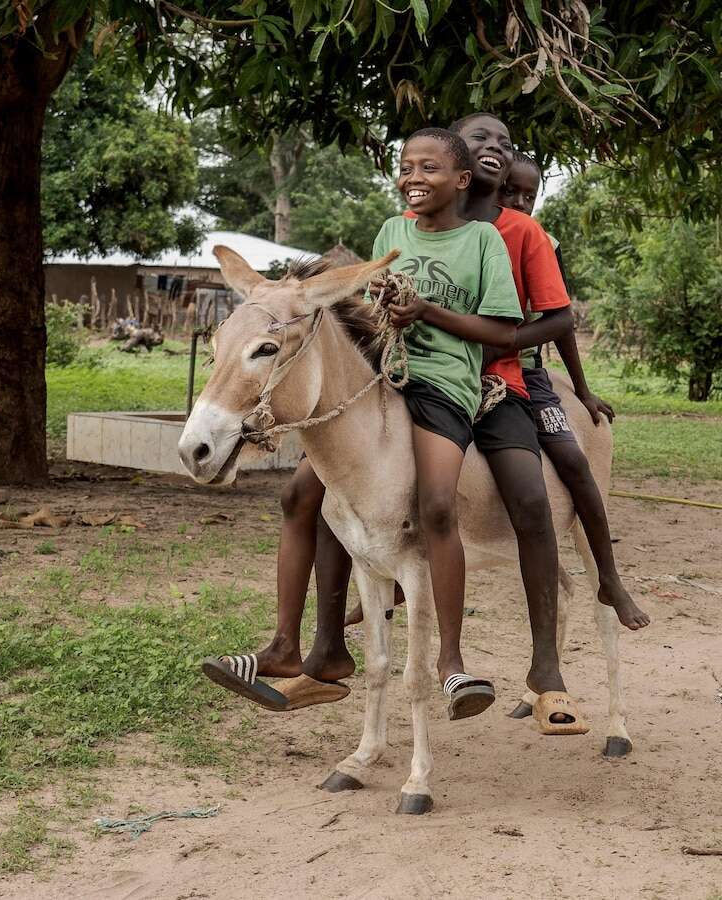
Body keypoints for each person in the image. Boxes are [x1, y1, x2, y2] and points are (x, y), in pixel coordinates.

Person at [206, 127, 523, 720]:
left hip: (444, 382)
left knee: (434, 505)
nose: (413, 177)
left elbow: (503, 332)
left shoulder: (483, 240)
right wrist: (383, 308)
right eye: (405, 167)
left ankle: (450, 661)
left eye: (428, 168)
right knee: (303, 493)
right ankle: (288, 646)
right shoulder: (391, 232)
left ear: (460, 180)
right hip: (383, 378)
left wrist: (425, 310)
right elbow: (369, 314)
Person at [491, 153, 645, 634]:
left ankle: (609, 577)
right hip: (455, 369)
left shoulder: (541, 241)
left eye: (528, 195)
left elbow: (559, 321)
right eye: (508, 192)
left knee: (573, 460)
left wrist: (582, 389)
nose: (518, 202)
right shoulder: (463, 234)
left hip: (526, 373)